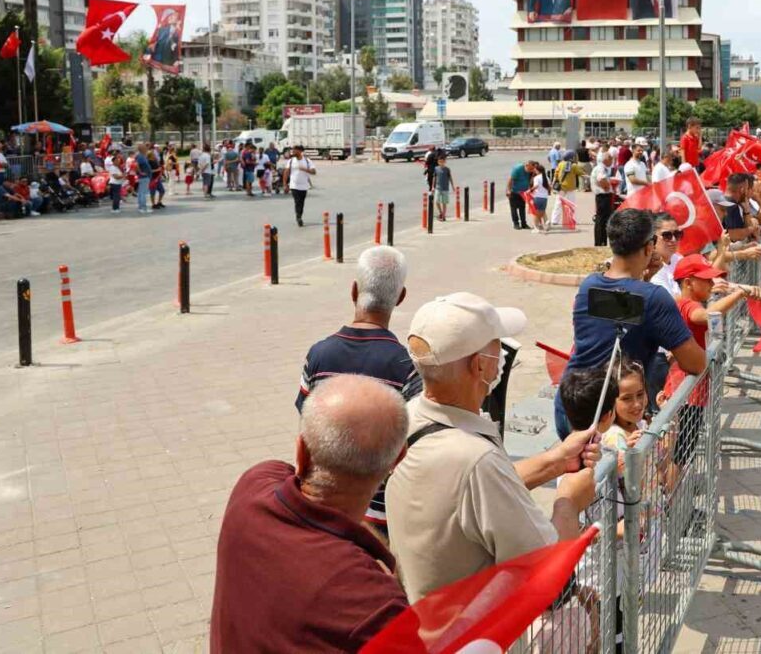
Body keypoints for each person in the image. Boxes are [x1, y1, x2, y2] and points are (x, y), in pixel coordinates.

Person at [386, 292, 598, 601]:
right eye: (498, 345)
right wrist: (569, 500)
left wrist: (556, 461)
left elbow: (469, 498)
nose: (503, 355)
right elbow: (547, 571)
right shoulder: (476, 460)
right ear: (480, 366)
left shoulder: (410, 415)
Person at [211, 375, 410, 652]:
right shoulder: (375, 604)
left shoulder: (253, 486)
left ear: (301, 451)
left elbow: (301, 486)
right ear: (398, 458)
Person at [297, 246, 418, 535]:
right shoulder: (407, 367)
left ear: (353, 290)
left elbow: (306, 428)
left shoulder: (318, 355)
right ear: (401, 297)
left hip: (319, 509)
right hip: (378, 518)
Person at [556, 208, 707, 439]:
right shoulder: (654, 298)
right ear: (649, 247)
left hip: (571, 408)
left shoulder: (589, 286)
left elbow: (626, 309)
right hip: (608, 422)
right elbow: (695, 363)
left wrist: (644, 277)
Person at [284, 145, 316, 226]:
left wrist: (305, 169)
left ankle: (299, 215)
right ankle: (299, 217)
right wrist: (285, 184)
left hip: (304, 186)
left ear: (300, 151)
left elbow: (314, 172)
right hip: (294, 185)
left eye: (295, 150)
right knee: (297, 201)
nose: (293, 152)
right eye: (293, 150)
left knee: (301, 202)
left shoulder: (307, 161)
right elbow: (286, 173)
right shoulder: (290, 161)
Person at [551, 150, 581, 228]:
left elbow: (556, 174)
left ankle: (554, 220)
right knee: (571, 204)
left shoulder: (560, 164)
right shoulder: (573, 165)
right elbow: (580, 173)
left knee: (558, 204)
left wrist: (553, 184)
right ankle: (571, 219)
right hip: (570, 187)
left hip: (561, 187)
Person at [591, 150, 614, 247]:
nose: (612, 161)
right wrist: (607, 187)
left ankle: (602, 241)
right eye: (611, 159)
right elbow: (601, 179)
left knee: (603, 220)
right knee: (602, 220)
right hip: (603, 196)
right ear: (606, 159)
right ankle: (600, 242)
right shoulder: (601, 168)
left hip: (603, 196)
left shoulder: (602, 168)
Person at [507, 160, 531, 230]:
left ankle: (524, 223)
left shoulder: (529, 171)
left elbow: (529, 180)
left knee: (522, 208)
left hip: (523, 192)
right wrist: (508, 190)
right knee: (514, 208)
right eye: (529, 169)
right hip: (515, 191)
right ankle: (516, 223)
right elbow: (510, 180)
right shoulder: (517, 169)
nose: (530, 171)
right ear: (526, 166)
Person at [528, 160, 549, 232]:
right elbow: (550, 187)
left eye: (535, 169)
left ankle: (536, 228)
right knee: (542, 212)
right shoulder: (546, 177)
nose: (535, 170)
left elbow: (536, 186)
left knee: (535, 214)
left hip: (537, 197)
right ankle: (545, 223)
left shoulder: (537, 178)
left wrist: (530, 190)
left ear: (538, 170)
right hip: (545, 198)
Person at [104, 148, 125, 212]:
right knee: (116, 197)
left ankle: (116, 208)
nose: (118, 161)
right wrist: (123, 175)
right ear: (113, 161)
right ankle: (115, 208)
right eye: (117, 161)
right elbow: (116, 177)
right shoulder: (112, 168)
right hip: (115, 183)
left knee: (117, 196)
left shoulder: (117, 167)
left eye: (118, 160)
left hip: (118, 183)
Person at [134, 144, 152, 214]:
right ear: (142, 149)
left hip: (145, 177)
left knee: (141, 192)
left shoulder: (142, 156)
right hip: (144, 177)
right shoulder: (140, 156)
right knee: (143, 193)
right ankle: (143, 208)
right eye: (145, 148)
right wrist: (140, 172)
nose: (146, 149)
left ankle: (141, 207)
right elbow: (136, 165)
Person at [434, 154, 453, 222]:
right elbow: (435, 177)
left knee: (444, 203)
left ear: (445, 162)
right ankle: (441, 212)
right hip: (438, 187)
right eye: (440, 161)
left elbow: (450, 178)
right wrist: (433, 187)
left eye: (442, 161)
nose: (441, 163)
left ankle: (444, 216)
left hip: (445, 188)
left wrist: (453, 186)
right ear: (438, 162)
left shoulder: (447, 169)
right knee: (436, 201)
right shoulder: (436, 168)